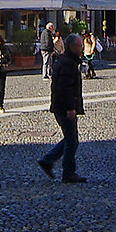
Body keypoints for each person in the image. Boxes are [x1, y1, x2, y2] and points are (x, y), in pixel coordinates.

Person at [37, 32, 86, 183]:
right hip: (64, 108)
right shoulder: (68, 64)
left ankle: (48, 160)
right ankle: (68, 172)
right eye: (79, 46)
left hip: (60, 107)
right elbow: (65, 88)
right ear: (71, 47)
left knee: (70, 139)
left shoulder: (67, 61)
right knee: (72, 140)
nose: (82, 48)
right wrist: (71, 108)